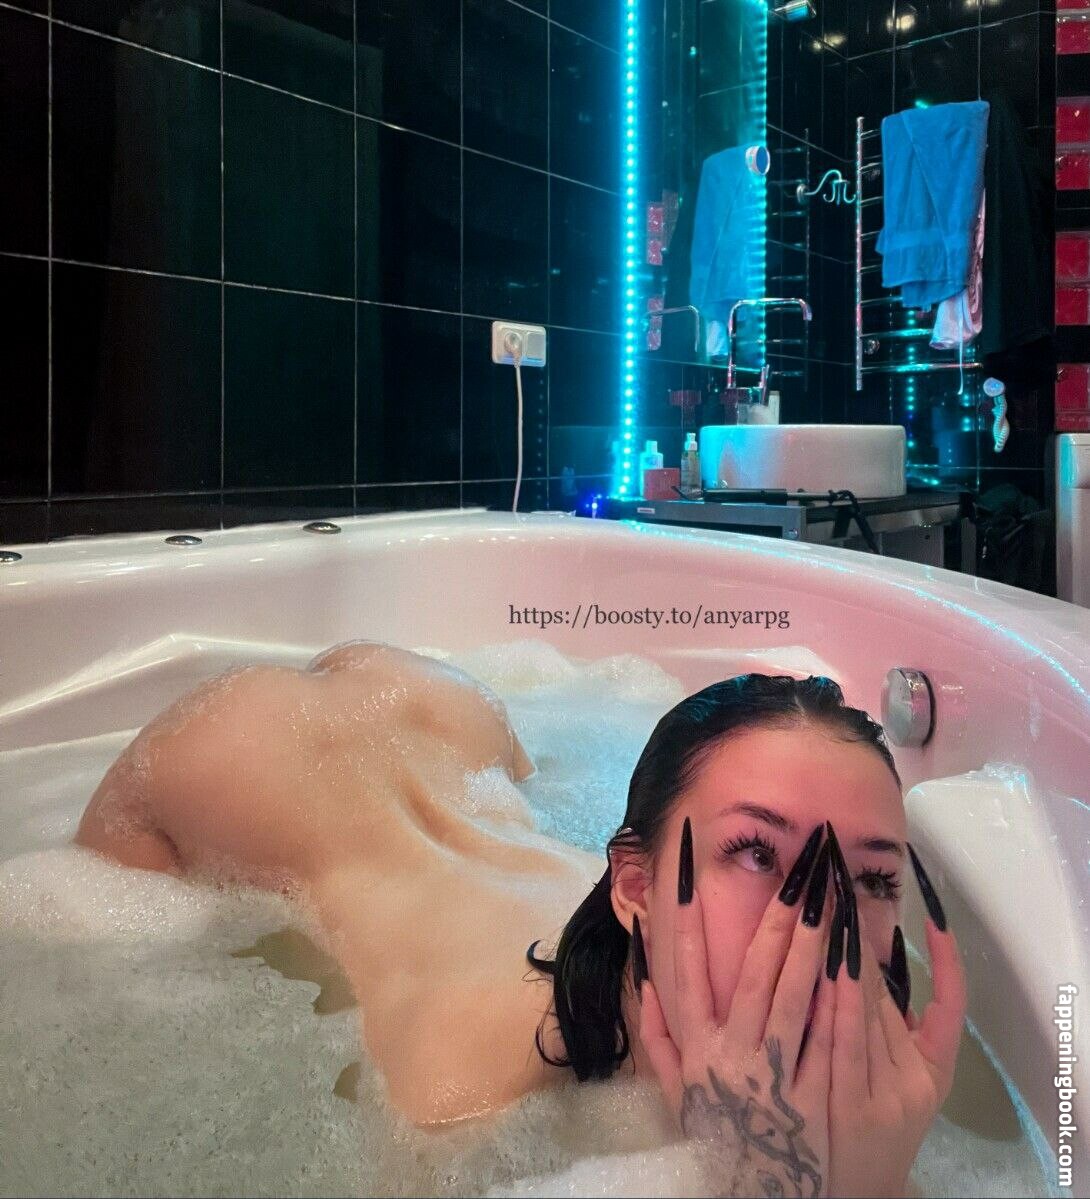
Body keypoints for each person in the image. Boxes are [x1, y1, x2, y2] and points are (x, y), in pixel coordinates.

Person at [74, 640, 966, 1197]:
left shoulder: (872, 1055)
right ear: (635, 886)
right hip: (244, 761)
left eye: (873, 876)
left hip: (452, 719)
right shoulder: (458, 1095)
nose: (821, 922)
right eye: (758, 854)